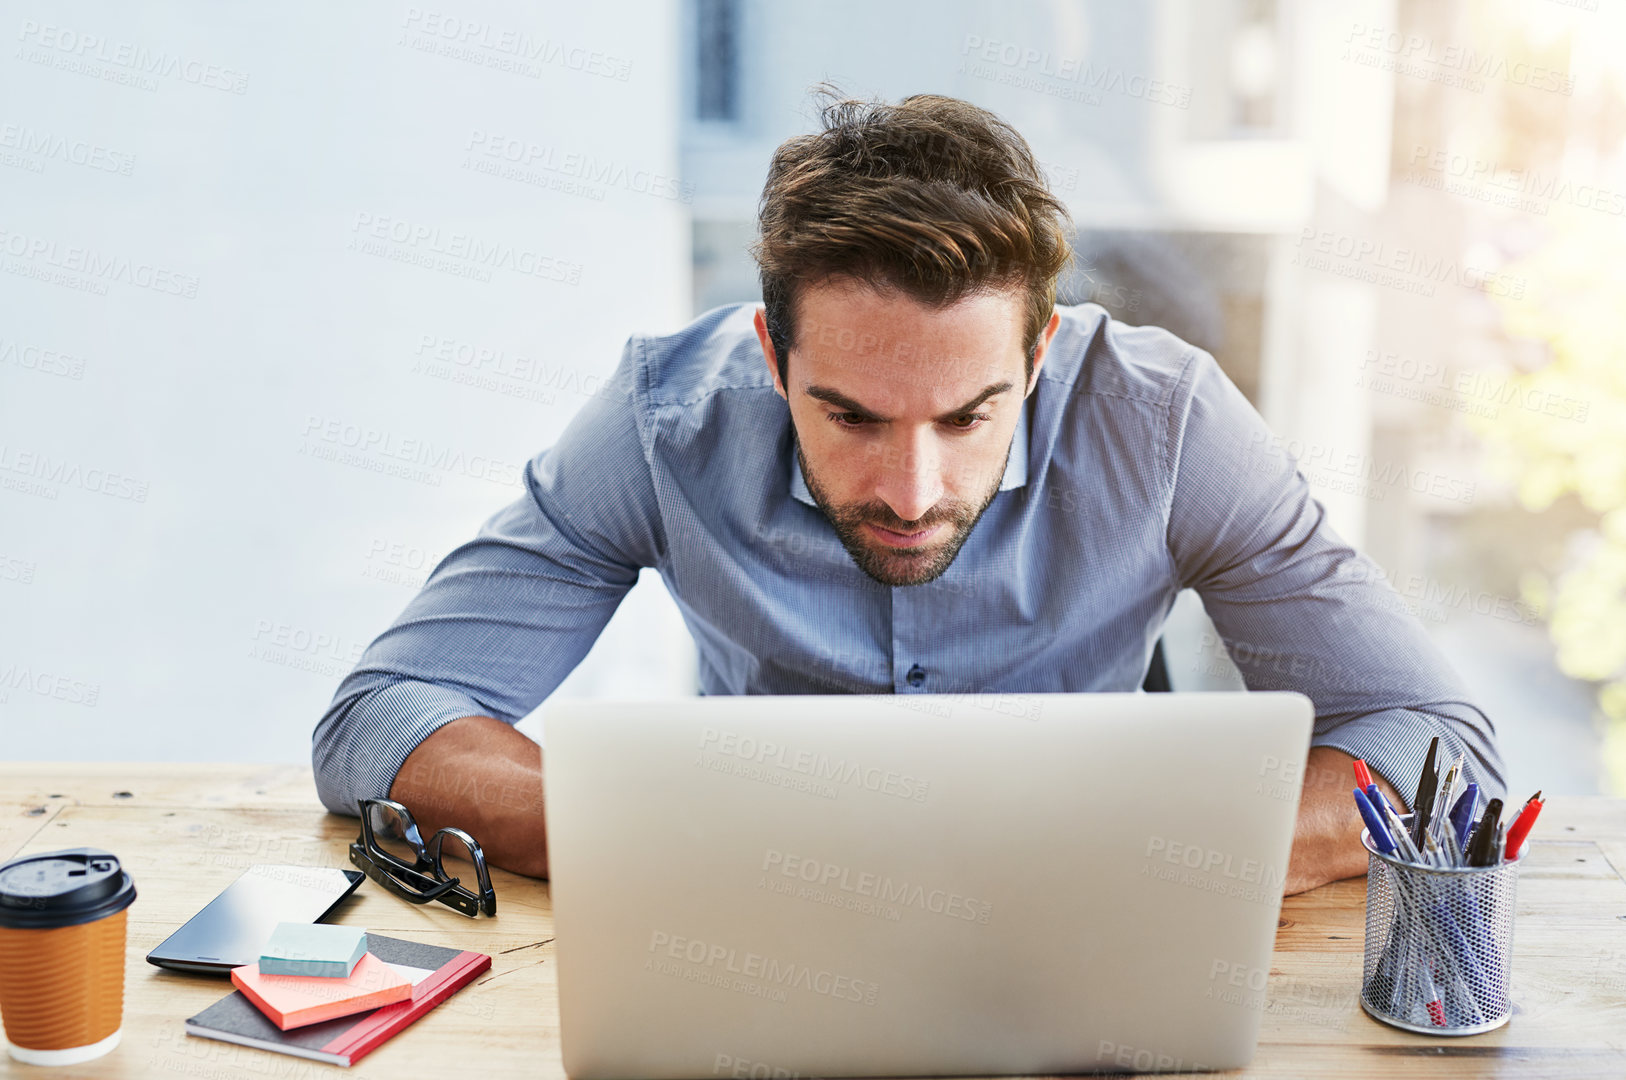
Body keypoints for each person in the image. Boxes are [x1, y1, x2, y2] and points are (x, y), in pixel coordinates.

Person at [313, 91, 1503, 888]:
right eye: (851, 415)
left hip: (1098, 942)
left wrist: (1148, 852)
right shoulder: (665, 421)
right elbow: (384, 720)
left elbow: (1439, 749)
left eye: (971, 414)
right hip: (754, 932)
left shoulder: (1167, 421)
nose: (912, 489)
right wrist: (687, 840)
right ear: (774, 361)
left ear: (1034, 362)